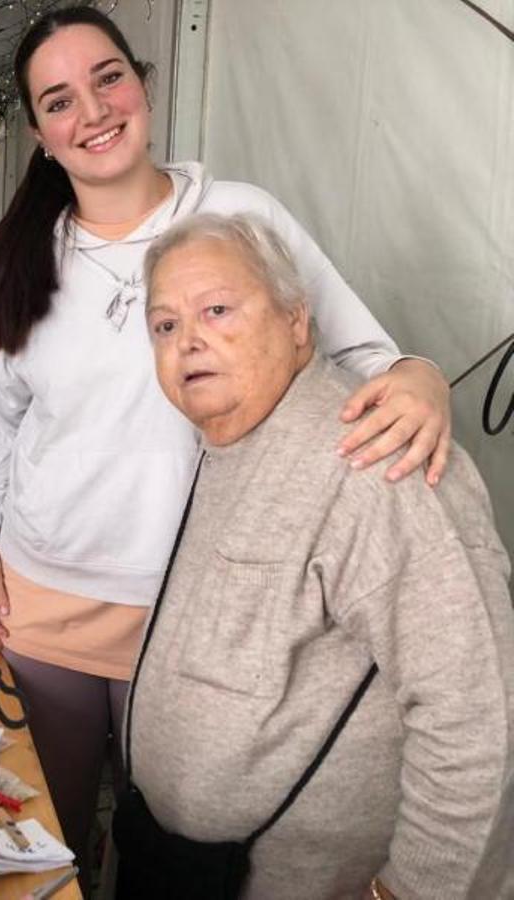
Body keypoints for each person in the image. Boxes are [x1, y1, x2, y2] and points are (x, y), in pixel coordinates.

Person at [0, 6, 453, 881]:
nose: (94, 112)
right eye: (60, 101)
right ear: (40, 134)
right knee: (43, 845)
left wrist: (420, 375)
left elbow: (361, 349)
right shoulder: (22, 254)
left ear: (143, 85)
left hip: (201, 612)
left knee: (176, 854)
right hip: (43, 600)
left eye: (109, 78)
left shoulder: (236, 213)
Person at [112, 211, 514, 899]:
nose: (189, 342)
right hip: (178, 864)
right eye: (165, 325)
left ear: (297, 321)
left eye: (217, 310)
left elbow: (481, 717)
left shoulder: (375, 458)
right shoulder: (228, 438)